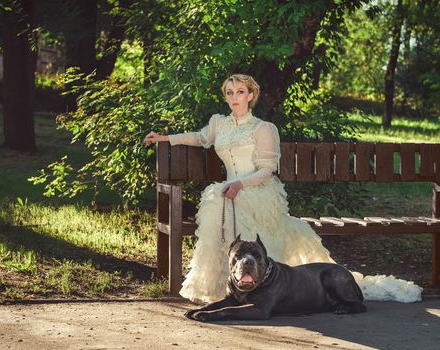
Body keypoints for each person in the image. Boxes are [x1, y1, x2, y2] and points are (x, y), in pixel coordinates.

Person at [143, 74, 422, 304]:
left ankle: (254, 284)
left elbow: (267, 170)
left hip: (256, 189)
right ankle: (220, 287)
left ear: (251, 95)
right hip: (228, 188)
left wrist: (240, 184)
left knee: (223, 199)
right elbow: (200, 137)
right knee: (216, 198)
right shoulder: (220, 124)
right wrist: (165, 137)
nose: (234, 97)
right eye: (229, 92)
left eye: (240, 92)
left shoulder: (264, 128)